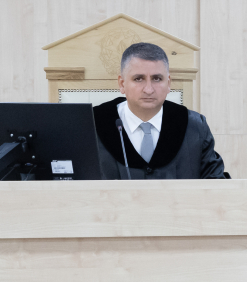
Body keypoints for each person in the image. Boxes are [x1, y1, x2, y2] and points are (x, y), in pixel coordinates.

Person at [93, 42, 227, 179]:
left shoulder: (195, 127)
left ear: (168, 84)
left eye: (157, 79)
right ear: (122, 84)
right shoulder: (91, 125)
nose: (148, 89)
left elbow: (216, 183)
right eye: (138, 79)